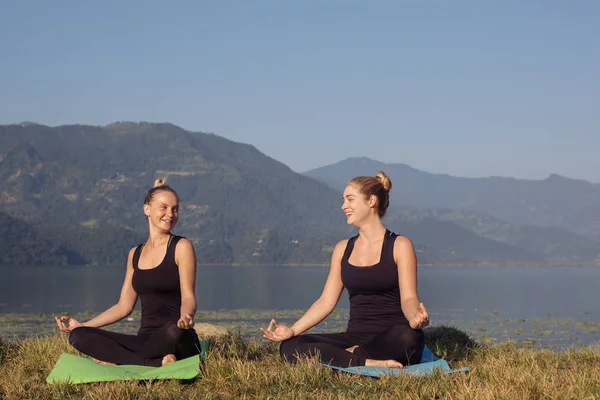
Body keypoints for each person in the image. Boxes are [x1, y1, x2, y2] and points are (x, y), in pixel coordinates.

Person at [261, 171, 429, 369]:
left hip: (392, 335)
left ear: (371, 201)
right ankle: (364, 361)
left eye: (350, 199)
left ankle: (346, 358)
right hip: (354, 336)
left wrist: (413, 318)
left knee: (409, 338)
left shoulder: (400, 245)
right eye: (343, 200)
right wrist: (292, 330)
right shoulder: (342, 249)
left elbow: (409, 298)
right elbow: (325, 302)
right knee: (290, 346)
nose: (343, 206)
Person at [55, 178, 200, 367]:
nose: (170, 214)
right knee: (79, 336)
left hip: (177, 334)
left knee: (173, 331)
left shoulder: (181, 246)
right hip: (145, 341)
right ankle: (156, 362)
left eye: (175, 209)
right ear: (147, 209)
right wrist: (82, 325)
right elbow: (123, 306)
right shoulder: (135, 254)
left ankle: (122, 361)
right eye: (163, 207)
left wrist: (186, 316)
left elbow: (188, 297)